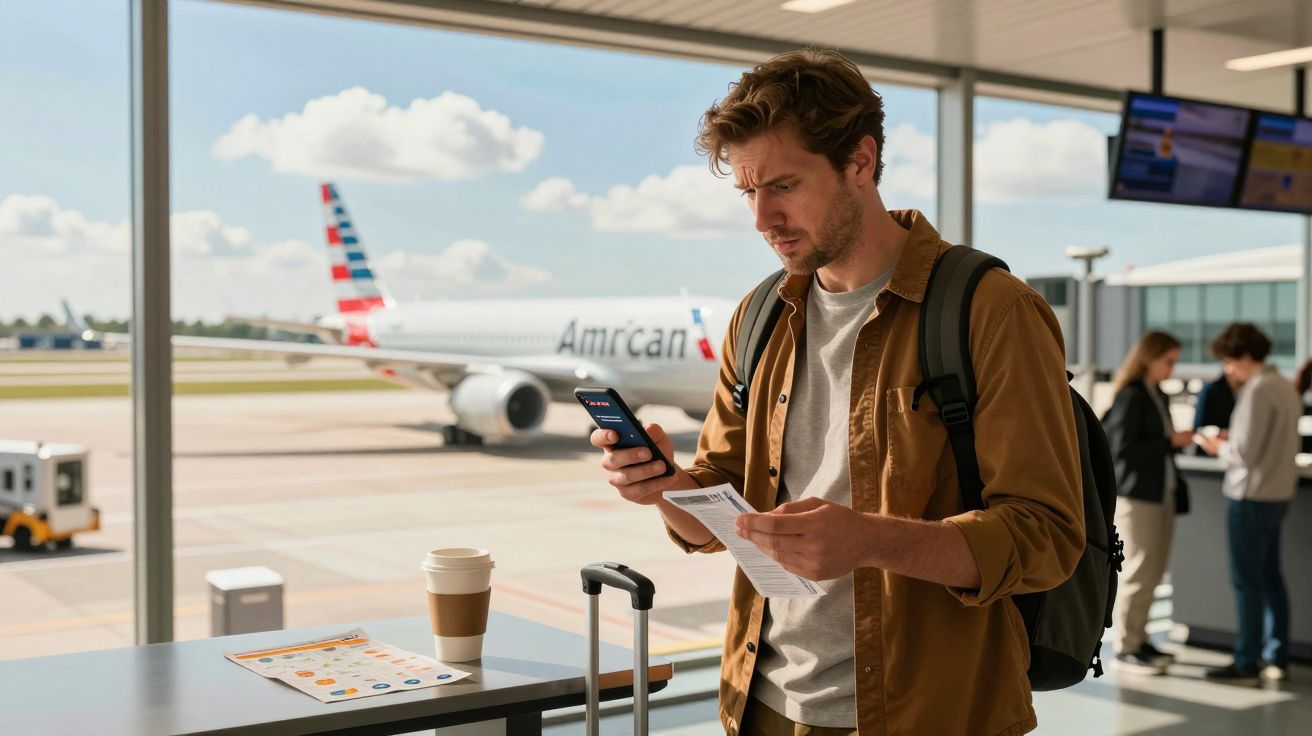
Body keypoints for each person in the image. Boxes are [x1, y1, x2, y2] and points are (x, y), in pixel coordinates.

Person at [589, 49, 1084, 735]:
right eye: (748, 193)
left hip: (929, 716)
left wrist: (872, 541)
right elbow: (718, 508)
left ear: (861, 161)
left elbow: (1047, 537)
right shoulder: (758, 315)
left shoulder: (990, 310)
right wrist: (663, 487)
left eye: (784, 186)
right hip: (762, 705)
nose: (763, 218)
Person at [1196, 323, 1297, 684]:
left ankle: (1246, 661)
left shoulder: (1256, 391)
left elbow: (1244, 453)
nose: (1227, 370)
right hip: (1278, 494)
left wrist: (1216, 445)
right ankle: (1276, 654)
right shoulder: (1284, 386)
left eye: (1228, 361)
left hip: (1249, 496)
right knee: (1271, 578)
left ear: (1242, 356)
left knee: (1246, 582)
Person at [1100, 331, 1193, 675]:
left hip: (1160, 494)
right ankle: (1126, 646)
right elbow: (1121, 450)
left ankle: (1140, 638)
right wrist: (1168, 441)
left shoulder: (1156, 396)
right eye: (1168, 360)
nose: (1173, 367)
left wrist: (1169, 442)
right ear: (1149, 358)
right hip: (1138, 498)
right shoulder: (1133, 396)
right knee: (1139, 571)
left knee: (1153, 572)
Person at [1191, 371, 1237, 457]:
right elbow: (1197, 428)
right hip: (1210, 454)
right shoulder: (1211, 389)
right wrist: (1219, 433)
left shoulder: (1248, 391)